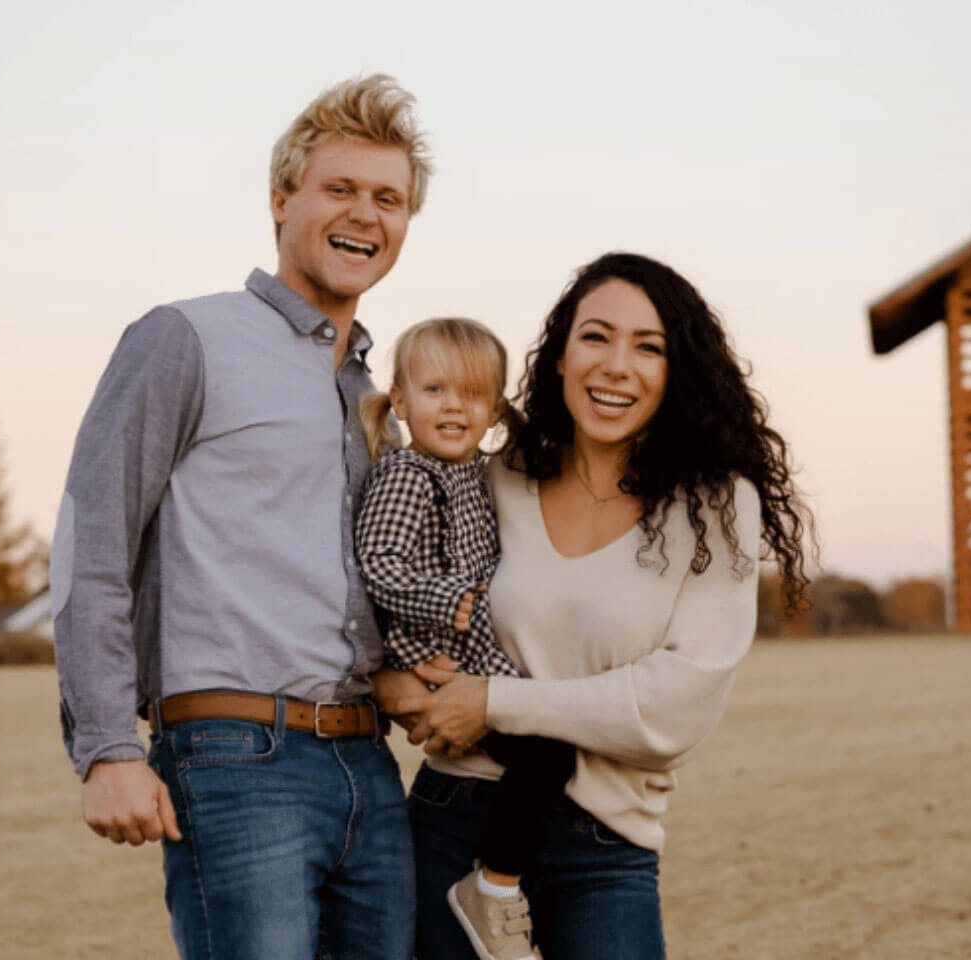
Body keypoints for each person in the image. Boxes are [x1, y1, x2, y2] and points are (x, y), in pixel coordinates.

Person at [50, 74, 431, 960]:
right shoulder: (185, 336)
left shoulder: (376, 396)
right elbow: (93, 543)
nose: (365, 216)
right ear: (280, 198)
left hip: (369, 766)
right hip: (233, 759)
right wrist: (108, 747)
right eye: (340, 189)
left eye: (390, 199)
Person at [374, 252, 812, 960]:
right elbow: (390, 587)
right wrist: (388, 680)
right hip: (456, 818)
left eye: (649, 346)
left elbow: (674, 709)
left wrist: (491, 702)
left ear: (678, 372)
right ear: (559, 357)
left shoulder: (714, 505)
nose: (616, 365)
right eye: (596, 337)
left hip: (605, 842)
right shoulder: (496, 476)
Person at [355, 318, 576, 960]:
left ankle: (501, 879)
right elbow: (379, 565)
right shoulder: (406, 474)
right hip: (437, 663)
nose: (454, 406)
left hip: (484, 667)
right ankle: (495, 888)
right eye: (434, 389)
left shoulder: (484, 475)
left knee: (550, 755)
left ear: (495, 409)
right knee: (548, 755)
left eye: (474, 395)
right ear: (400, 400)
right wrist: (449, 598)